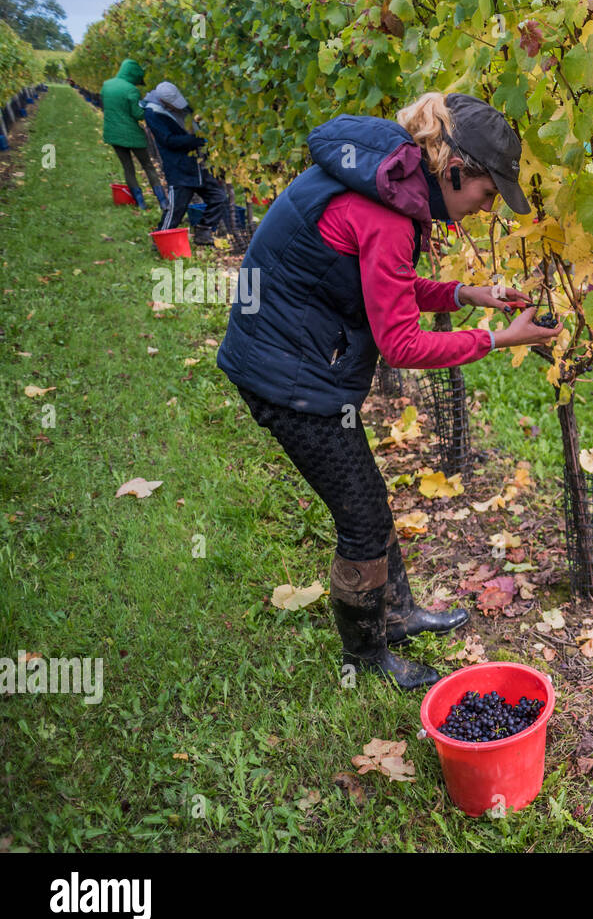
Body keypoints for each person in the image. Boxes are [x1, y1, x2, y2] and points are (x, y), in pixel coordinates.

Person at [216, 92, 562, 690]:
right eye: (486, 194)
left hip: (294, 357)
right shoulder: (386, 212)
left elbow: (386, 280)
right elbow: (401, 344)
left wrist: (463, 295)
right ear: (455, 170)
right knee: (364, 520)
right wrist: (497, 339)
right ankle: (366, 657)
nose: (485, 209)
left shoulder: (381, 182)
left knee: (368, 501)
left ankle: (397, 615)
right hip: (287, 378)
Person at [142, 81, 229, 243]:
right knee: (176, 209)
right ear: (163, 102)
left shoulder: (183, 107)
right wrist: (196, 140)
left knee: (219, 198)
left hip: (200, 164)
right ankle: (159, 240)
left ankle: (203, 232)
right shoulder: (152, 113)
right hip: (179, 168)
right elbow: (168, 141)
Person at [99, 59, 166, 210]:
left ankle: (140, 202)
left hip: (113, 133)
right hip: (132, 135)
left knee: (128, 168)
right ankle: (163, 201)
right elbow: (137, 114)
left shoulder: (106, 85)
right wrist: (150, 109)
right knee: (148, 166)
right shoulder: (131, 90)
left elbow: (106, 105)